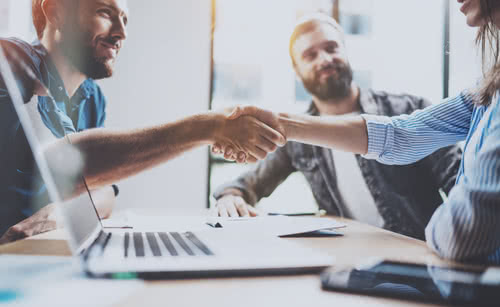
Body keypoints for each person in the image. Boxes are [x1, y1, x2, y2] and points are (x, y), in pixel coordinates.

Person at [221, 0, 500, 263]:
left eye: (331, 48)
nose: (324, 59)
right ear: (297, 72)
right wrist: (232, 195)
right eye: (310, 54)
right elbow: (248, 183)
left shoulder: (406, 107)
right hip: (355, 260)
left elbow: (465, 197)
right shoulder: (299, 143)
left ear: (346, 52)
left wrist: (448, 231)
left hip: (424, 257)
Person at [0, 0, 285, 243]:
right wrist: (209, 127)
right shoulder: (11, 61)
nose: (121, 32)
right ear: (56, 11)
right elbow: (64, 161)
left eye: (124, 19)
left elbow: (104, 191)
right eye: (105, 13)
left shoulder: (93, 98)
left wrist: (65, 212)